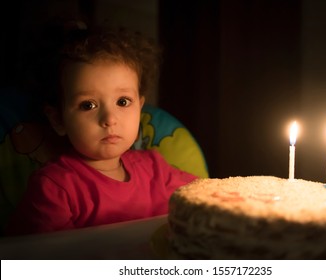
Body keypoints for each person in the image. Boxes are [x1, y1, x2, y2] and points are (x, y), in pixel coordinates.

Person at [6, 23, 198, 235]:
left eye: (123, 102)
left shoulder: (156, 169)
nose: (109, 119)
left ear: (140, 109)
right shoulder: (55, 189)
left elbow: (209, 199)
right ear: (58, 120)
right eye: (88, 105)